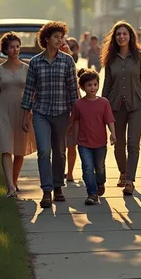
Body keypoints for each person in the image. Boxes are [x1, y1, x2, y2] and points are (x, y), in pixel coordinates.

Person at [21, 21, 79, 208]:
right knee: (44, 151)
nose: (60, 40)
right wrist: (25, 115)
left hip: (62, 113)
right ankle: (47, 191)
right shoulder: (35, 62)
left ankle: (58, 187)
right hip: (41, 113)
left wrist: (75, 115)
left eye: (61, 37)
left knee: (60, 152)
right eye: (56, 37)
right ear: (46, 39)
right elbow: (29, 90)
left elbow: (72, 89)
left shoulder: (67, 61)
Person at [102, 21, 141, 195]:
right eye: (118, 34)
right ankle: (123, 172)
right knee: (118, 143)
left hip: (138, 105)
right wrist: (102, 108)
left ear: (130, 36)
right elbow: (107, 85)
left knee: (133, 144)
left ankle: (130, 181)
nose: (121, 37)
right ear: (114, 37)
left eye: (124, 34)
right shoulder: (110, 60)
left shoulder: (140, 57)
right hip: (116, 106)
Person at [0, 32, 36, 197]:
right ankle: (10, 187)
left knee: (20, 150)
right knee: (6, 148)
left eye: (17, 46)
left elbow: (32, 93)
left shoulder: (28, 69)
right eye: (11, 47)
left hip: (22, 111)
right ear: (5, 49)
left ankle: (14, 181)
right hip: (3, 111)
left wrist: (30, 111)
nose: (15, 50)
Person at [70, 69, 116, 205]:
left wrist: (113, 133)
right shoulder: (78, 104)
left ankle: (100, 182)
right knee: (87, 168)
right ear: (82, 87)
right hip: (84, 143)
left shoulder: (104, 102)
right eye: (89, 85)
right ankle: (92, 193)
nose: (93, 88)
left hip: (100, 143)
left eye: (95, 84)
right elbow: (75, 120)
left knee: (99, 167)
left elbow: (109, 119)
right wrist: (73, 134)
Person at [60, 37, 80, 182]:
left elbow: (78, 87)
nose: (63, 47)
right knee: (59, 145)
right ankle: (60, 171)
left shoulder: (73, 66)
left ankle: (71, 172)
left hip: (72, 108)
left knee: (71, 144)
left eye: (65, 46)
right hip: (57, 108)